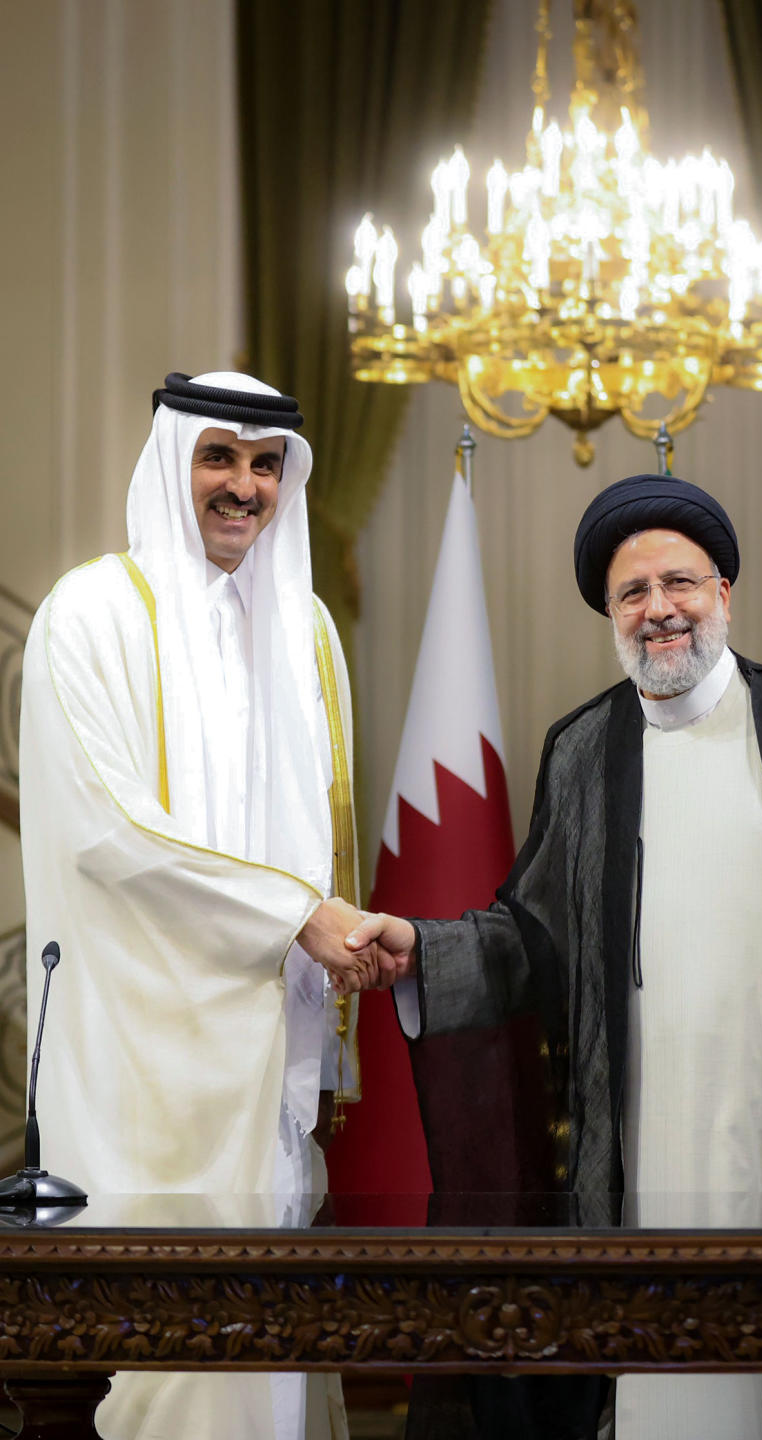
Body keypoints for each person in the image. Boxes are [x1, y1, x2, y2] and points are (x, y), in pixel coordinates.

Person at [330, 473, 762, 1440]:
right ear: (610, 615)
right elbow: (531, 940)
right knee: (663, 1382)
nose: (660, 610)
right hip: (642, 1138)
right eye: (634, 593)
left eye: (681, 584)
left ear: (724, 595)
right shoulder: (583, 749)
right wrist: (422, 947)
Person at [19, 371, 375, 1440]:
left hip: (271, 1050)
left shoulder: (307, 632)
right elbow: (107, 834)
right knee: (160, 1355)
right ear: (171, 462)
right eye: (219, 457)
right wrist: (292, 915)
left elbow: (331, 840)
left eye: (267, 465)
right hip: (140, 1056)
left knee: (267, 1341)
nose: (244, 486)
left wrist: (333, 956)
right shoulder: (89, 614)